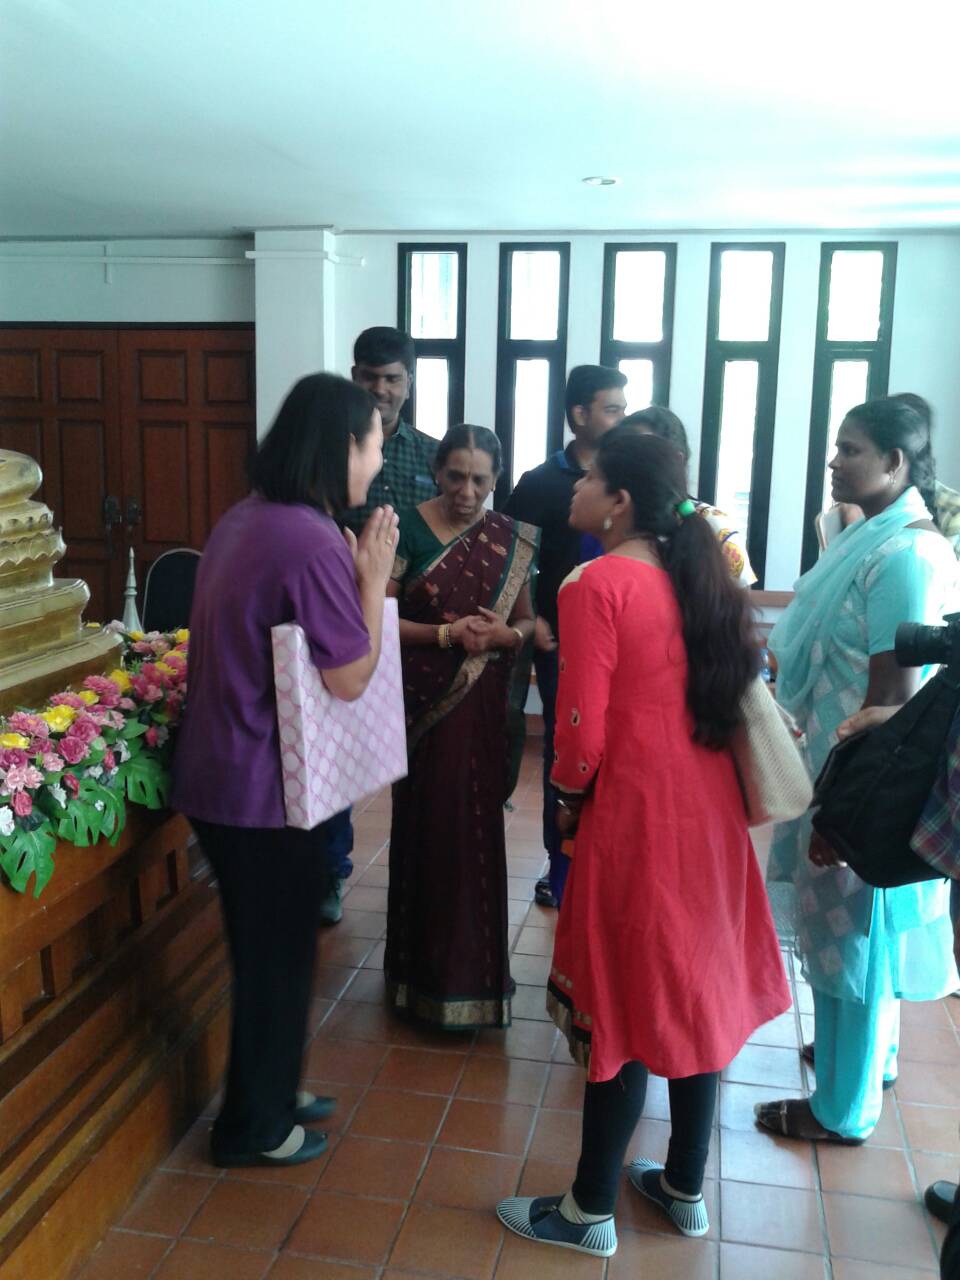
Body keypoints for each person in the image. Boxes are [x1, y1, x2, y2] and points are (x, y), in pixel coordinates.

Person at [496, 429, 789, 1257]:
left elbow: (580, 732)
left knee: (619, 1001)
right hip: (709, 813)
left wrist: (565, 800)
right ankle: (685, 1187)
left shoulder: (597, 582)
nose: (576, 489)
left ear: (618, 502)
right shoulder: (699, 575)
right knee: (694, 985)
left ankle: (589, 1209)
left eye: (588, 478)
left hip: (637, 815)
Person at [171, 373, 399, 1168]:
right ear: (341, 447)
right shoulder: (308, 538)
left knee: (277, 949)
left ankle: (273, 1091)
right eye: (373, 445)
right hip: (261, 788)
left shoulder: (250, 517)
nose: (378, 461)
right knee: (275, 959)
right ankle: (253, 1128)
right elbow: (350, 675)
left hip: (225, 774)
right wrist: (372, 580)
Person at [756, 395, 959, 1145]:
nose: (834, 462)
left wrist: (843, 818)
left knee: (856, 937)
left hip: (865, 779)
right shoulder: (870, 538)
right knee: (859, 932)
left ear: (895, 463)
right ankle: (872, 1060)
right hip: (842, 764)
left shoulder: (903, 555)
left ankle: (843, 1110)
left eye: (850, 450)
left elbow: (891, 703)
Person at [385, 425, 538, 1028]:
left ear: (496, 479)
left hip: (479, 711)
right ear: (436, 471)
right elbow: (376, 619)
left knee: (473, 832)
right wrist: (446, 635)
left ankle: (475, 981)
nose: (467, 492)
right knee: (426, 828)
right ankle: (416, 980)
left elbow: (527, 622)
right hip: (421, 707)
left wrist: (507, 635)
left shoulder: (509, 537)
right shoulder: (405, 528)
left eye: (480, 479)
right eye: (455, 476)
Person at [313, 327, 441, 927]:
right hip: (343, 622)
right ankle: (331, 872)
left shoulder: (433, 455)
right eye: (370, 378)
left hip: (418, 629)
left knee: (421, 751)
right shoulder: (326, 455)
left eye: (392, 379)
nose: (381, 390)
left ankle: (423, 874)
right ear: (354, 378)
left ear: (409, 383)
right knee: (338, 751)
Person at [503, 365, 627, 909]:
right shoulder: (540, 483)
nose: (621, 418)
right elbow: (510, 557)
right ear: (579, 414)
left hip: (622, 646)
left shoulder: (626, 478)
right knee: (567, 752)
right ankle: (562, 867)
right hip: (561, 647)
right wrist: (533, 618)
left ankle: (606, 867)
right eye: (612, 408)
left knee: (616, 753)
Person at [615, 406, 756, 584]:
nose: (626, 464)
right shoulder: (613, 518)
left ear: (676, 460)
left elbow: (738, 598)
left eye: (641, 455)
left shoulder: (715, 526)